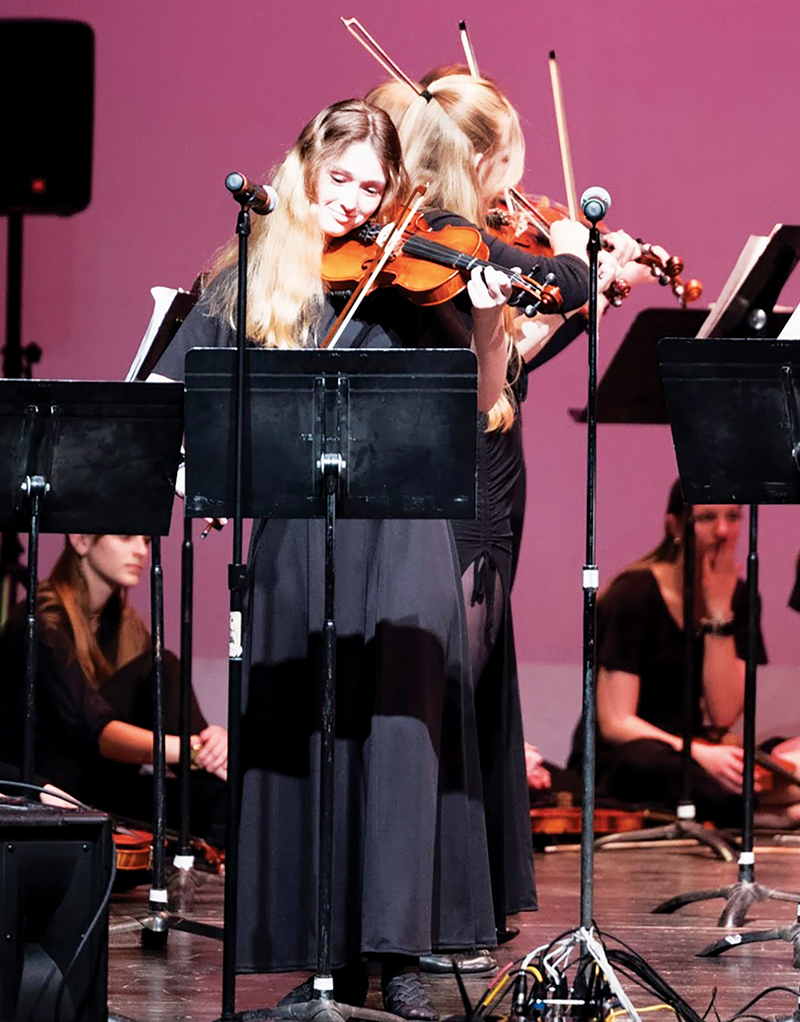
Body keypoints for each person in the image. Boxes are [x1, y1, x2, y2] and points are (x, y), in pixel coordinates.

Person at [151, 98, 515, 1020]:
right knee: (302, 738)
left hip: (400, 542)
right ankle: (318, 963)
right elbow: (170, 392)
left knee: (396, 740)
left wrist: (485, 326)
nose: (354, 203)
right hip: (295, 548)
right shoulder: (248, 275)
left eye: (371, 185)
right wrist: (193, 465)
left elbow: (476, 407)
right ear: (303, 168)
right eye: (340, 179)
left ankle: (399, 954)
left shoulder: (407, 279)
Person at [0, 535, 228, 846]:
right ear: (81, 541)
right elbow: (95, 732)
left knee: (215, 788)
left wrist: (211, 745)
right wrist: (193, 752)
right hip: (48, 788)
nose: (140, 551)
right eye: (125, 537)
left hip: (107, 785)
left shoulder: (127, 629)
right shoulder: (38, 621)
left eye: (147, 541)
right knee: (161, 667)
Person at [568, 481, 768, 827]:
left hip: (697, 752)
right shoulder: (632, 595)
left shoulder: (740, 597)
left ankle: (759, 809)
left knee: (768, 754)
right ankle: (766, 811)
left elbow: (723, 714)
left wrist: (719, 614)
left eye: (733, 517)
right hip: (633, 754)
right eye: (706, 518)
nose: (723, 531)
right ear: (675, 525)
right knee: (656, 766)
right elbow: (617, 723)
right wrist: (698, 752)